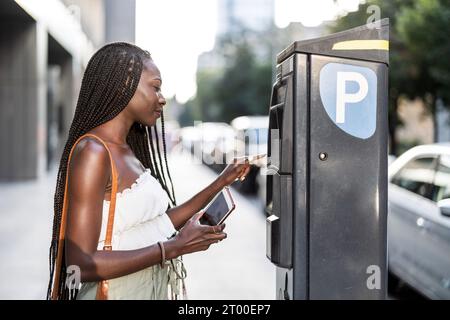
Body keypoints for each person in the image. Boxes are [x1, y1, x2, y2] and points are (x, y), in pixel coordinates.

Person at [47, 42, 250, 300]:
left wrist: (222, 181)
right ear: (125, 85)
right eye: (155, 87)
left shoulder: (128, 148)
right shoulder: (93, 152)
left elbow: (160, 222)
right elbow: (80, 264)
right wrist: (173, 248)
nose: (162, 98)